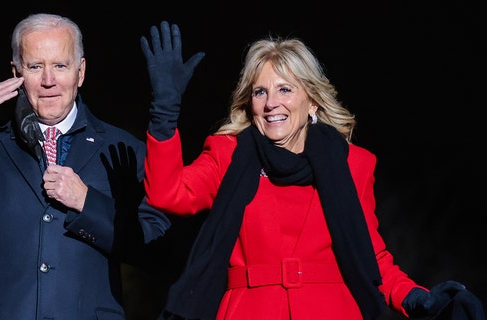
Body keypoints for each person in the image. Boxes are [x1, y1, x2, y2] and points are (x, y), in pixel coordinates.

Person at [139, 21, 485, 320]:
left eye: (285, 89)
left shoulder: (352, 164)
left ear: (313, 101)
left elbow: (370, 256)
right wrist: (164, 113)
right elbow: (167, 194)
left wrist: (416, 298)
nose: (271, 102)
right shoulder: (229, 154)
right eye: (260, 91)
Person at [0, 13, 172, 319]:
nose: (48, 81)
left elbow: (159, 252)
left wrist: (86, 203)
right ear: (16, 73)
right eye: (35, 66)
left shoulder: (123, 149)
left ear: (80, 72)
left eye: (60, 65)